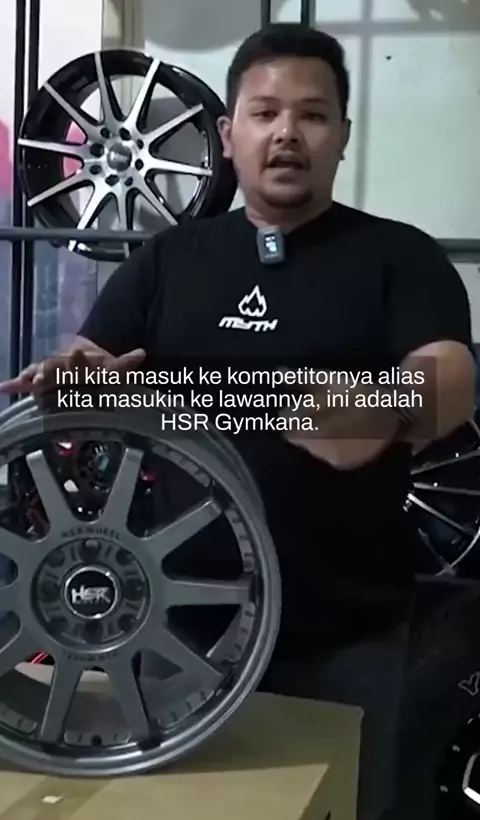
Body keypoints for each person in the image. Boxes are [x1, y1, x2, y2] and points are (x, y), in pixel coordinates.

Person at [0, 22, 475, 820]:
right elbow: (89, 371)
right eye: (265, 113)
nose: (287, 133)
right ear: (228, 135)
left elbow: (451, 383)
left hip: (347, 635)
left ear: (343, 136)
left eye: (312, 115)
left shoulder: (400, 258)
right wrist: (74, 379)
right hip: (173, 634)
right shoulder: (166, 259)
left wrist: (385, 407)